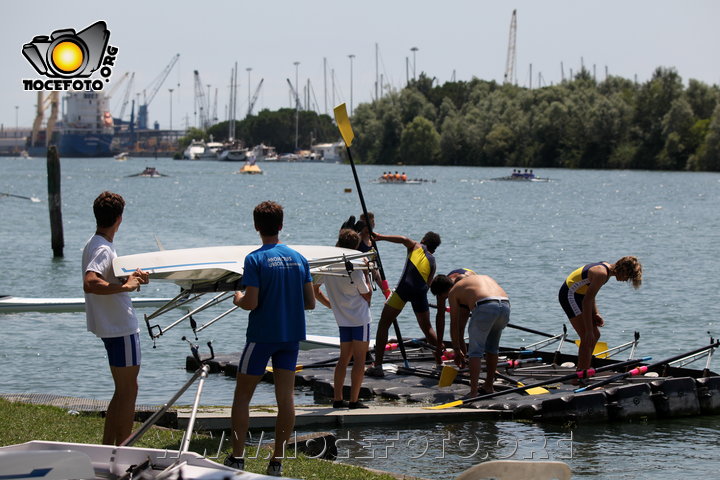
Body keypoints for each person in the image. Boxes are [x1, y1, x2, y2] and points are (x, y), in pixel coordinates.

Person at [225, 201, 315, 476]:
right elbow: (310, 302)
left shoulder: (254, 259)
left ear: (256, 226)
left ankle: (238, 458)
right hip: (290, 338)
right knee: (285, 399)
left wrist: (238, 298)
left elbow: (251, 302)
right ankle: (276, 460)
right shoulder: (299, 259)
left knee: (242, 398)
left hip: (262, 337)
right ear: (281, 225)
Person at [82, 191, 149, 445]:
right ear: (120, 219)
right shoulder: (102, 248)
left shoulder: (96, 243)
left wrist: (126, 278)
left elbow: (102, 277)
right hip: (121, 328)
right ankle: (123, 447)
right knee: (129, 390)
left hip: (112, 328)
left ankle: (109, 446)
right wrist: (126, 287)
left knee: (123, 391)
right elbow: (90, 282)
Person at [365, 231, 442, 376]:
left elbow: (403, 239)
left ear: (424, 239)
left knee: (384, 324)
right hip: (420, 292)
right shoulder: (433, 261)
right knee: (427, 327)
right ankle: (440, 362)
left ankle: (378, 365)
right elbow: (429, 282)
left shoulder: (416, 246)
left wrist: (381, 237)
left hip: (404, 289)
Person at [313, 229, 372, 409]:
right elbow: (367, 295)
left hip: (342, 319)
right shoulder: (356, 268)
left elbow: (315, 290)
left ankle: (337, 399)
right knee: (360, 360)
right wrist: (367, 272)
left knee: (343, 359)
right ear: (355, 247)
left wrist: (331, 304)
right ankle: (354, 401)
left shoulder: (329, 266)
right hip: (360, 319)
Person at [430, 273, 511, 397]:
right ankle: (489, 386)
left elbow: (454, 324)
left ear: (443, 292)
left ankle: (473, 392)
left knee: (475, 352)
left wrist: (457, 350)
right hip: (505, 305)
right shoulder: (473, 280)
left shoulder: (453, 292)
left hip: (485, 306)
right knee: (492, 348)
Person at [558, 257, 642, 372]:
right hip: (570, 295)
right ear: (623, 271)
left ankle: (584, 369)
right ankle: (580, 374)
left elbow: (590, 295)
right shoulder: (601, 274)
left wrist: (596, 313)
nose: (625, 280)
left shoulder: (606, 270)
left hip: (580, 296)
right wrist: (588, 330)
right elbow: (586, 301)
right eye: (627, 277)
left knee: (595, 335)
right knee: (587, 337)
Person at [433, 268, 476, 362]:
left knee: (459, 330)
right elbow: (440, 316)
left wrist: (456, 348)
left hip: (468, 290)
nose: (442, 298)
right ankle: (460, 357)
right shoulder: (442, 288)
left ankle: (464, 360)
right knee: (455, 329)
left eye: (444, 296)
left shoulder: (462, 285)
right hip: (455, 282)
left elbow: (454, 324)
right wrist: (439, 344)